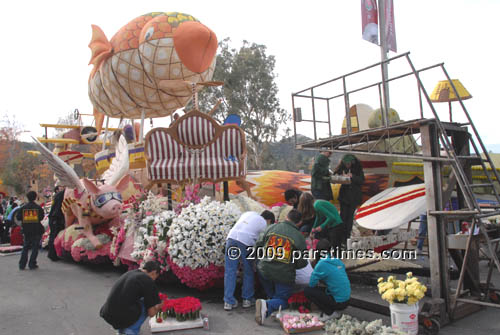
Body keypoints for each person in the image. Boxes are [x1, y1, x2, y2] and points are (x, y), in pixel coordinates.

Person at [255, 209, 308, 325]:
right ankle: (268, 305)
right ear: (299, 223)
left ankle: (269, 304)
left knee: (273, 292)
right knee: (285, 300)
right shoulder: (299, 237)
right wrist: (292, 264)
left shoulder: (271, 228)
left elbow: (258, 245)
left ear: (286, 217)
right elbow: (302, 262)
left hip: (264, 269)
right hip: (283, 274)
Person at [224, 210, 275, 311]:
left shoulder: (248, 213)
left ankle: (228, 301)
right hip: (246, 242)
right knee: (248, 270)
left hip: (231, 238)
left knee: (230, 271)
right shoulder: (264, 223)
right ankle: (247, 299)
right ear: (269, 220)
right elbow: (264, 240)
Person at [100, 261, 163, 335]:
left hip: (108, 313)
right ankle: (130, 331)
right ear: (154, 272)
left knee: (134, 301)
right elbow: (151, 313)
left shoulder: (131, 273)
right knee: (146, 305)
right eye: (156, 277)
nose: (154, 279)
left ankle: (122, 331)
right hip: (120, 316)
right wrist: (160, 306)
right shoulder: (148, 280)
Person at [304, 239, 350, 322]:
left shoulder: (321, 264)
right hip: (346, 300)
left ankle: (330, 312)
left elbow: (311, 284)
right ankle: (334, 309)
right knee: (321, 290)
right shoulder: (336, 260)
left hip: (338, 302)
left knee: (307, 291)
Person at [333, 154, 365, 243]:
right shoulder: (342, 167)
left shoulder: (358, 169)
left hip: (354, 196)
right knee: (342, 217)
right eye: (346, 164)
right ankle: (341, 237)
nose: (347, 165)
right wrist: (340, 177)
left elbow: (362, 180)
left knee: (349, 218)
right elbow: (335, 175)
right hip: (344, 196)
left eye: (349, 164)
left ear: (352, 162)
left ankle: (347, 237)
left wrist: (352, 177)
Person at [16, 191, 45, 270]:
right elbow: (41, 217)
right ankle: (32, 263)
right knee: (35, 247)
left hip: (26, 229)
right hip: (36, 229)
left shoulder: (23, 208)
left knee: (25, 247)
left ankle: (22, 264)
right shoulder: (38, 208)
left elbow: (18, 217)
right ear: (35, 197)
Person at [47, 186, 66, 261]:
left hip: (54, 218)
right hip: (56, 218)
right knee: (54, 236)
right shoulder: (61, 195)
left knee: (53, 236)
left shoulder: (58, 195)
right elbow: (59, 209)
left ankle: (53, 253)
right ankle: (52, 254)